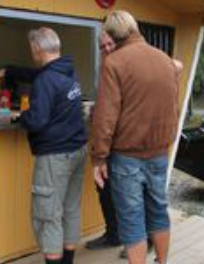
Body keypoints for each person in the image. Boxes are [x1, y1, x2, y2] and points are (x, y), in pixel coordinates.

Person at [91, 11, 180, 264]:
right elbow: (172, 106)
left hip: (127, 156)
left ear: (112, 33)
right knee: (158, 211)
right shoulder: (164, 59)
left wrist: (99, 158)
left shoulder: (114, 63)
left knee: (131, 220)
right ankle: (162, 261)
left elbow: (105, 116)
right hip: (159, 153)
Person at [19, 27, 88, 264]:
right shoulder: (69, 71)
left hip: (55, 156)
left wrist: (21, 116)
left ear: (38, 49)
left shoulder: (45, 80)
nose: (32, 54)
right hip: (77, 150)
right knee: (70, 210)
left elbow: (37, 121)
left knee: (48, 215)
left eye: (32, 49)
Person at [85, 31, 121, 250]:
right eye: (102, 46)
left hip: (122, 141)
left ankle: (143, 240)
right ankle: (113, 234)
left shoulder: (125, 67)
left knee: (129, 193)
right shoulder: (103, 69)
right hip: (105, 141)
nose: (107, 49)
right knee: (104, 188)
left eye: (110, 44)